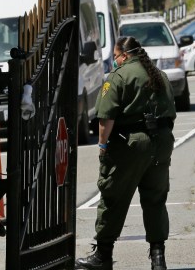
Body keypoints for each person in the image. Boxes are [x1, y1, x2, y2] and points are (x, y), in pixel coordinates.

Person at [75, 36, 177, 270]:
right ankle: (158, 259)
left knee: (113, 198)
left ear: (123, 54)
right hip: (161, 142)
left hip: (130, 144)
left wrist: (102, 147)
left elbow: (106, 118)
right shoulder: (159, 75)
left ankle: (103, 256)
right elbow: (171, 112)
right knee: (155, 199)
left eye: (116, 55)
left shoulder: (119, 76)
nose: (115, 60)